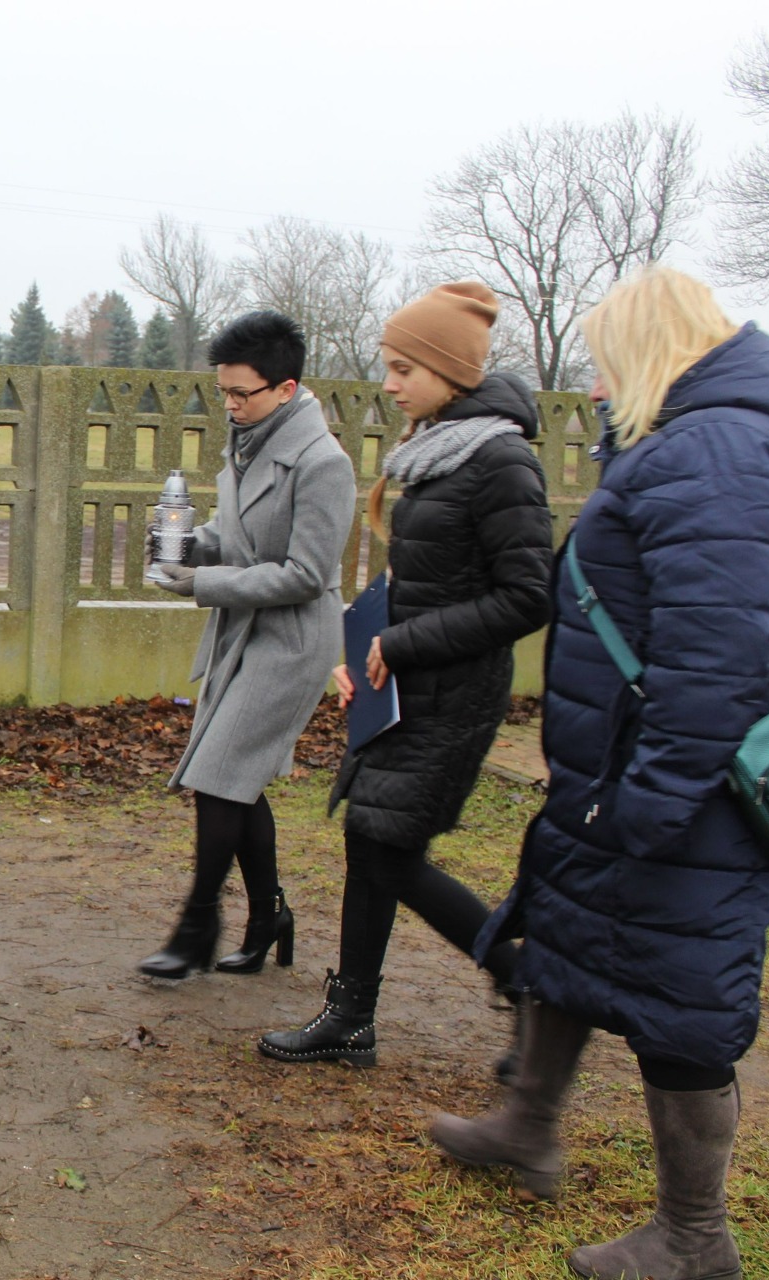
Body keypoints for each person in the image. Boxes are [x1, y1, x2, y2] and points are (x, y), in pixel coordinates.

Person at [428, 268, 769, 1280]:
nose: (598, 388)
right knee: (570, 936)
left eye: (607, 365)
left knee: (681, 1000)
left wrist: (648, 802)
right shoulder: (706, 439)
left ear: (652, 351)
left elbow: (712, 661)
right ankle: (527, 1126)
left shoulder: (717, 452)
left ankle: (695, 1237)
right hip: (633, 776)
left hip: (685, 797)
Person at [260, 281, 551, 1067]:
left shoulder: (501, 461)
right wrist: (364, 647)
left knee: (389, 852)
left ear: (449, 370)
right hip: (402, 689)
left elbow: (529, 596)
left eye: (403, 369)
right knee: (370, 841)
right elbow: (421, 575)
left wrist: (408, 643)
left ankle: (526, 981)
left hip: (452, 697)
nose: (388, 384)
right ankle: (350, 1017)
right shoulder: (438, 448)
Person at [139, 311, 355, 979]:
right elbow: (237, 539)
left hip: (293, 640)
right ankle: (268, 917)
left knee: (218, 777)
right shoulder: (249, 443)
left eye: (242, 393)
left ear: (286, 388)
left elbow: (306, 574)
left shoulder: (322, 463)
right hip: (243, 630)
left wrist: (203, 582)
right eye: (223, 393)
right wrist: (186, 546)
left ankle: (197, 925)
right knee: (235, 780)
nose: (230, 406)